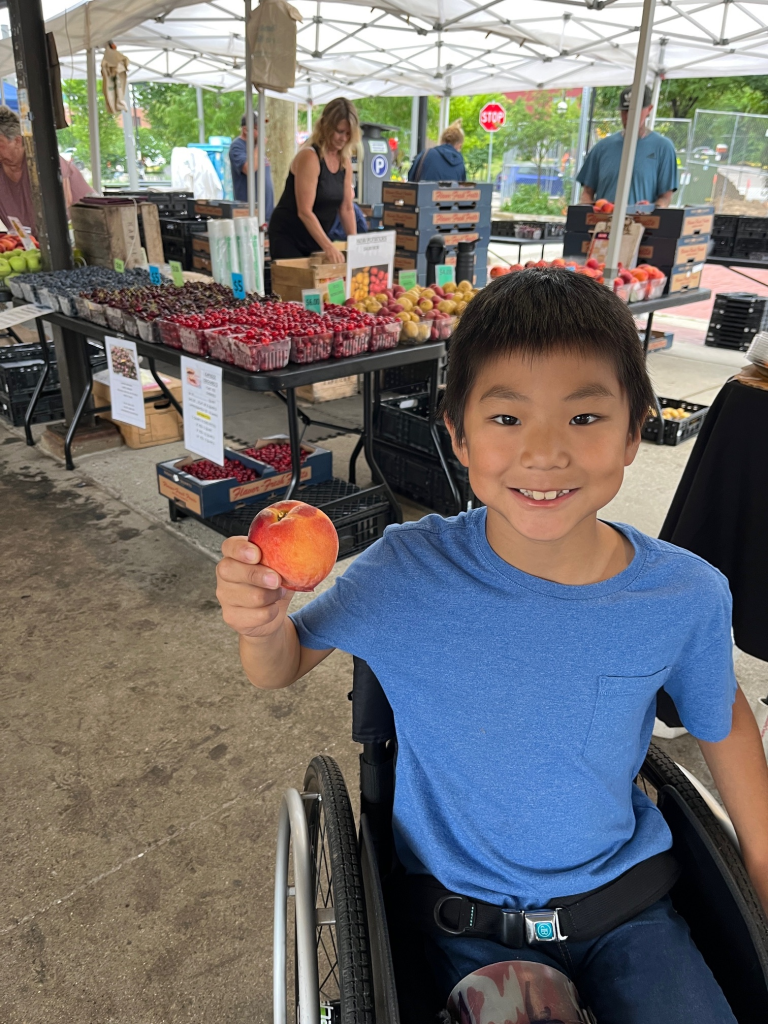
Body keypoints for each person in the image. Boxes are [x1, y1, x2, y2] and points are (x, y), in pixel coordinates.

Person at [217, 269, 768, 1021]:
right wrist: (261, 625)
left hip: (629, 904)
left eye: (584, 418)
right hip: (471, 924)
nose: (544, 454)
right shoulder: (405, 570)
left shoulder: (684, 594)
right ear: (458, 435)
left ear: (636, 430)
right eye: (507, 419)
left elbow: (722, 721)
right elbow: (280, 668)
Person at [268, 98, 359, 264]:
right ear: (326, 126)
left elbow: (346, 208)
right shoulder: (310, 157)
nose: (343, 138)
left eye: (348, 134)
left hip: (315, 238)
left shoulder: (344, 163)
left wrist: (355, 246)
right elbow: (305, 211)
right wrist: (329, 246)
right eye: (339, 131)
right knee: (298, 287)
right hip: (288, 236)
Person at [577, 85, 679, 207]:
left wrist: (651, 211)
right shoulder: (602, 148)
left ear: (649, 109)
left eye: (635, 111)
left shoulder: (663, 148)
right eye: (625, 111)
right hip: (604, 224)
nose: (629, 117)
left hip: (642, 224)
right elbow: (587, 193)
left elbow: (665, 198)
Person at [0, 105, 92, 234]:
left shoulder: (45, 161)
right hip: (30, 247)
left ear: (17, 141)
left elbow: (62, 209)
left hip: (83, 235)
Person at [228, 114, 274, 219]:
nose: (262, 133)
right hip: (250, 214)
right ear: (246, 130)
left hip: (266, 212)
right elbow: (249, 169)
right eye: (258, 129)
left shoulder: (255, 147)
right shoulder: (237, 146)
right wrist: (259, 146)